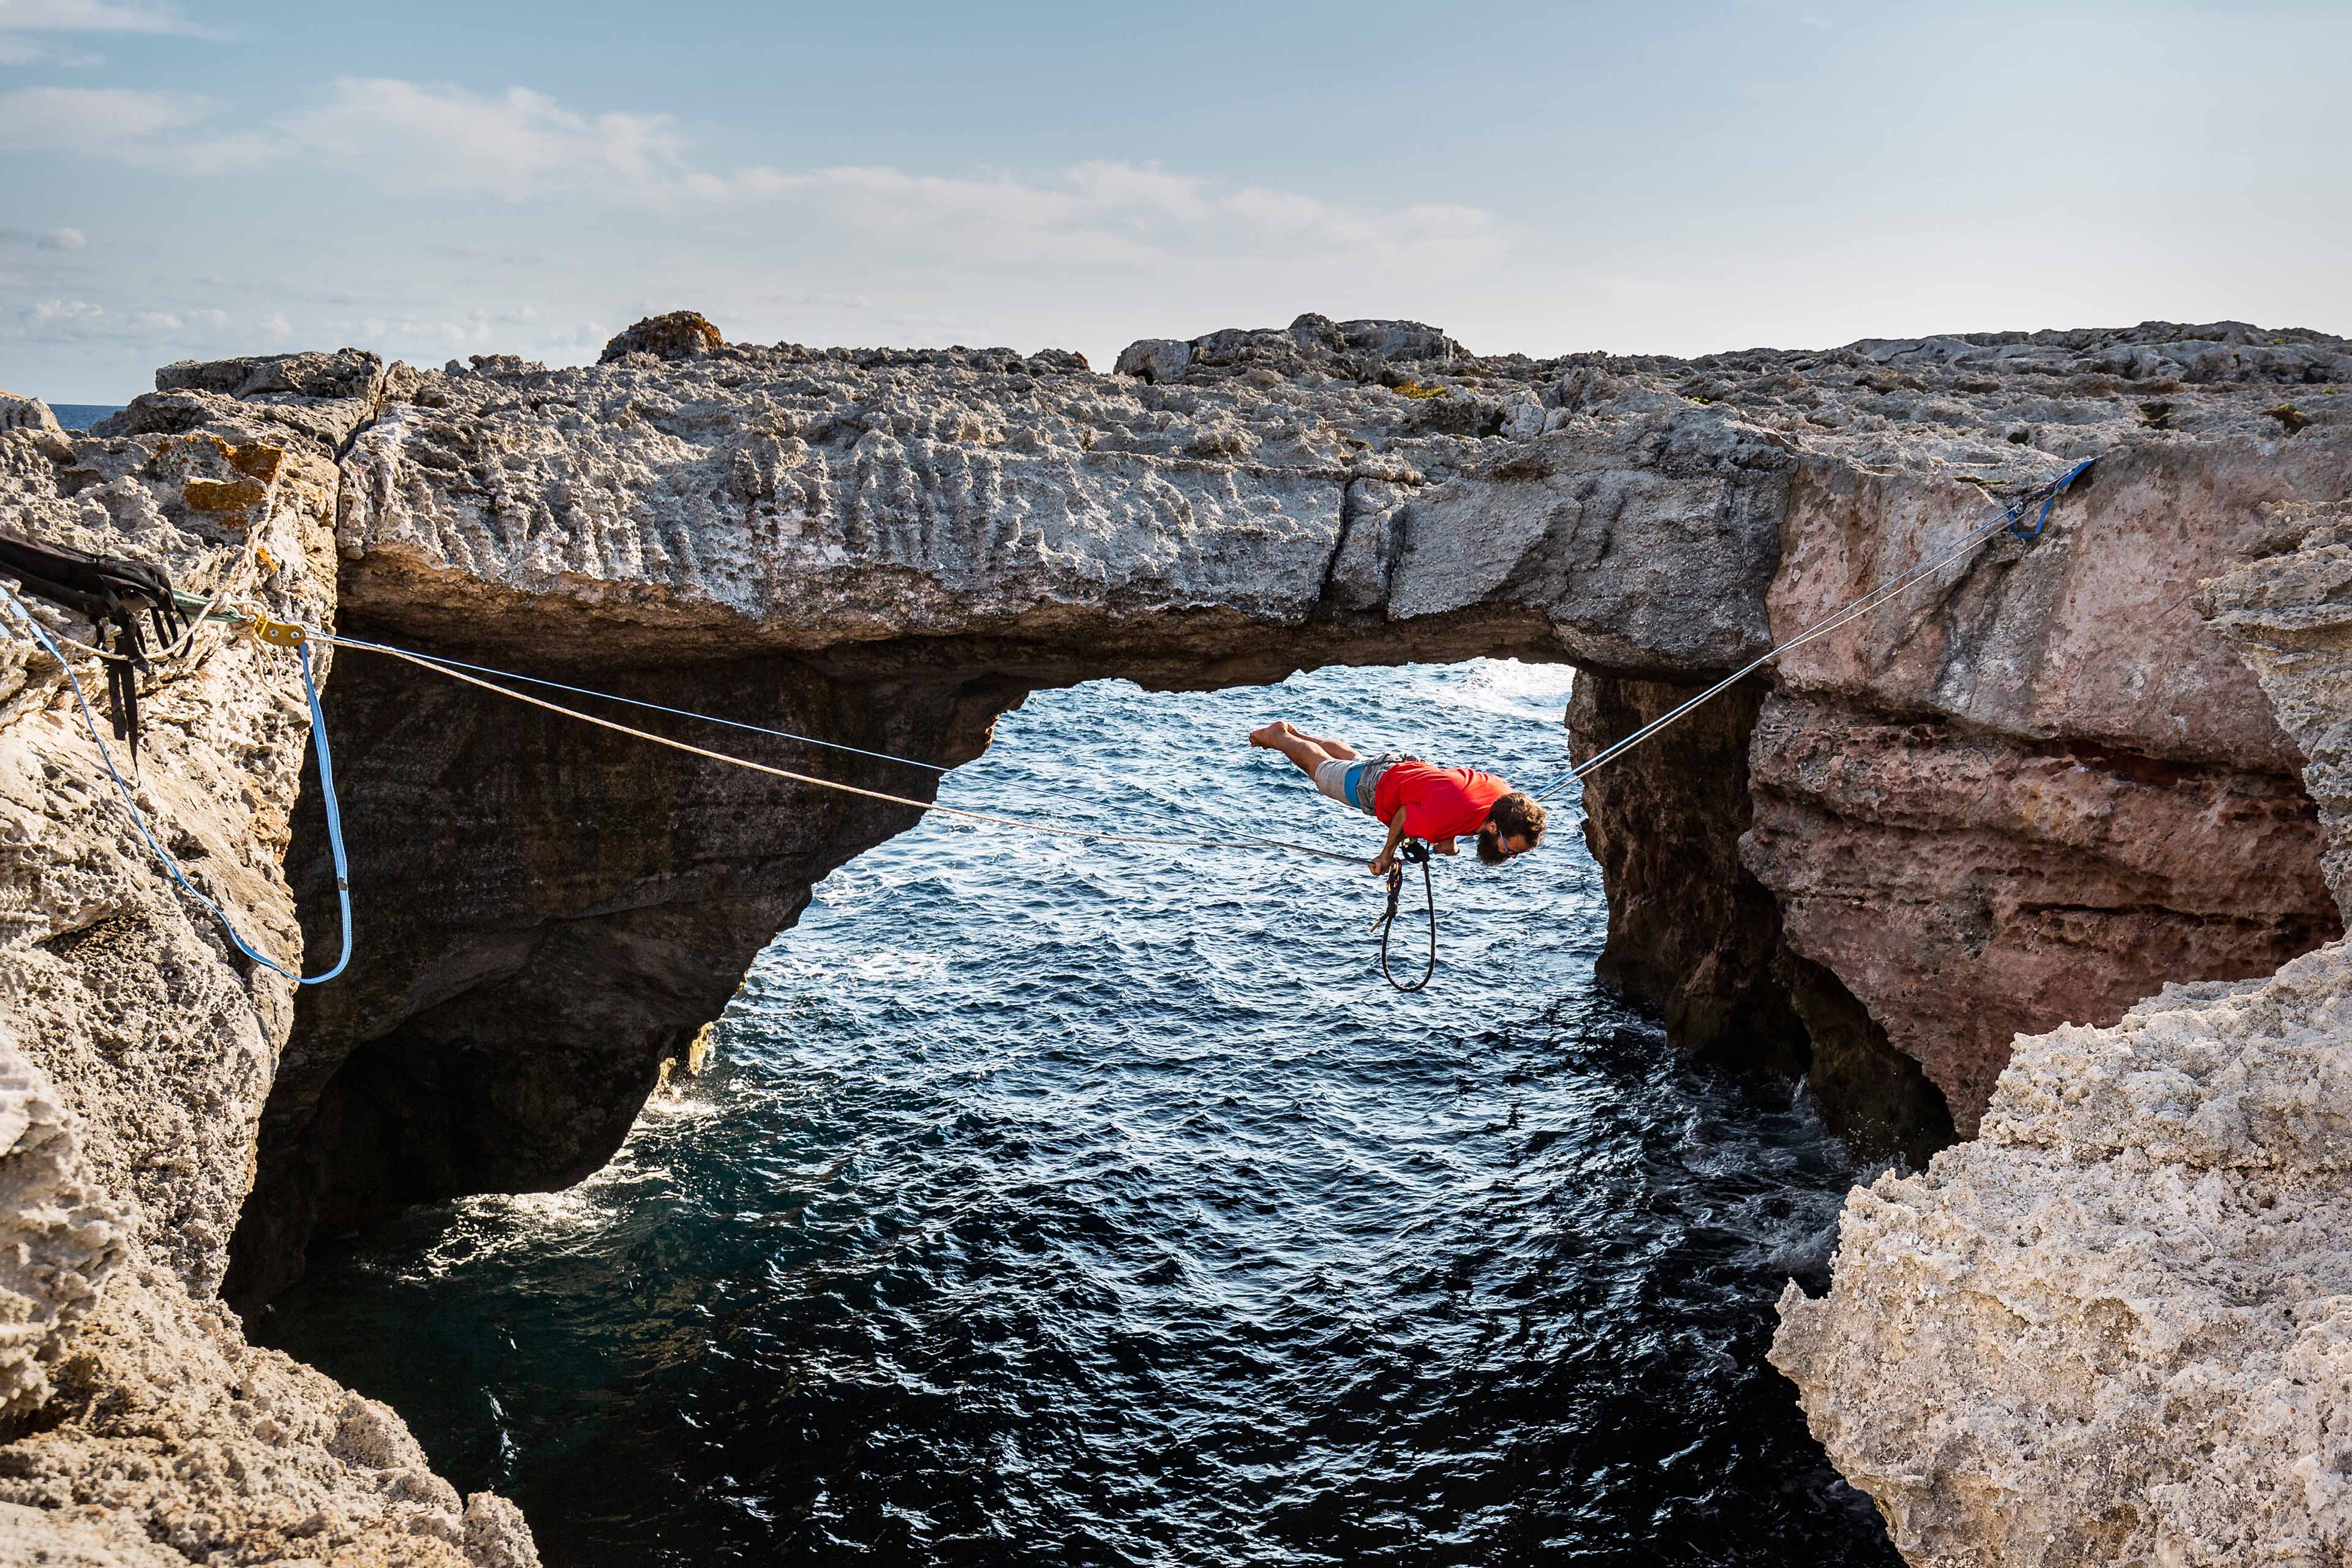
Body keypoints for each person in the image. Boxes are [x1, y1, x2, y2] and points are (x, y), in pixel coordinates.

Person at [1248, 721, 1547, 876]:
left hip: (1405, 766)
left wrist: (1448, 841)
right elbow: (1404, 815)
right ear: (1494, 828)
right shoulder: (1440, 821)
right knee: (1322, 772)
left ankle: (1300, 735)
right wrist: (1386, 855)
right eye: (1511, 850)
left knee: (1353, 759)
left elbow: (1461, 806)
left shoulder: (1507, 799)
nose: (1511, 856)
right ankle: (1278, 737)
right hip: (1376, 787)